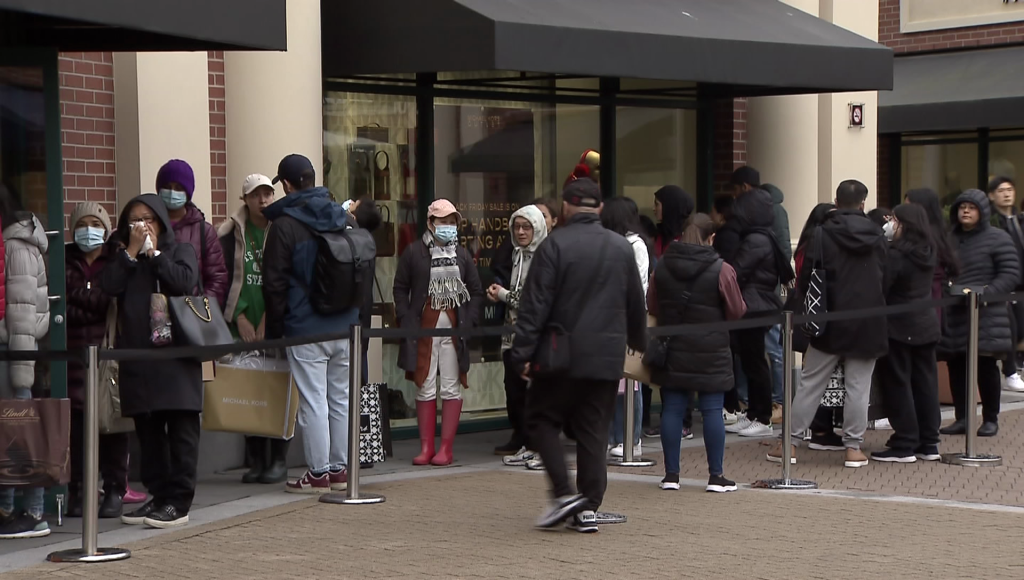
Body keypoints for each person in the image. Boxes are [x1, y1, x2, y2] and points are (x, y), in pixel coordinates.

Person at [508, 179, 647, 533]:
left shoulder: (554, 246)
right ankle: (588, 506)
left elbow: (534, 305)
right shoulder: (621, 248)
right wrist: (639, 343)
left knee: (540, 421)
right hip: (606, 355)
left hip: (559, 354)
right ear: (599, 208)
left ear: (566, 208)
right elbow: (636, 303)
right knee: (593, 431)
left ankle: (563, 493)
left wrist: (521, 352)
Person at [769, 180, 887, 469]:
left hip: (828, 319)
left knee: (811, 384)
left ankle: (790, 444)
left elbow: (807, 276)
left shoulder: (822, 233)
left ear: (836, 201)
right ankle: (853, 448)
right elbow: (888, 273)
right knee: (858, 387)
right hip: (868, 319)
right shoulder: (877, 234)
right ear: (863, 202)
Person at [102, 194, 201, 528]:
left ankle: (179, 502)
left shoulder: (179, 250)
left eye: (148, 219)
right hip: (138, 358)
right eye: (133, 221)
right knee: (148, 432)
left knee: (181, 431)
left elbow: (185, 282)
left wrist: (155, 255)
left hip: (175, 357)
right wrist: (131, 253)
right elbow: (108, 286)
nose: (141, 226)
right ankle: (157, 496)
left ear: (161, 221)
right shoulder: (122, 258)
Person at [262, 154, 359, 493]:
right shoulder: (343, 216)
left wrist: (274, 331)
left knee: (313, 401)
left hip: (305, 326)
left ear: (286, 185)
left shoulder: (285, 225)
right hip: (345, 324)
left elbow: (273, 284)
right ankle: (341, 470)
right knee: (341, 399)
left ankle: (318, 473)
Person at [648, 214, 746, 493]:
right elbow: (737, 311)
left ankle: (671, 476)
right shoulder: (722, 269)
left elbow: (652, 305)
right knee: (712, 410)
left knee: (673, 409)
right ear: (711, 237)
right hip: (711, 349)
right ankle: (716, 476)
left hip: (672, 346)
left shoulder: (663, 265)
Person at [394, 199, 483, 466]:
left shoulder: (463, 255)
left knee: (451, 388)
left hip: (455, 332)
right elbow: (400, 288)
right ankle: (425, 448)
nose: (448, 227)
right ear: (430, 224)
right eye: (442, 222)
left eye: (452, 222)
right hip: (424, 330)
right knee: (425, 384)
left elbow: (476, 291)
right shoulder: (413, 253)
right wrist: (405, 317)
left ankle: (446, 448)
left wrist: (470, 322)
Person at [217, 174, 291, 484]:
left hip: (275, 326)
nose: (262, 201)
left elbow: (286, 279)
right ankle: (257, 460)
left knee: (275, 391)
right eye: (255, 195)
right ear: (244, 199)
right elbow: (222, 280)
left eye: (267, 195)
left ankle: (278, 460)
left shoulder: (283, 230)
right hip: (241, 327)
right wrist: (240, 317)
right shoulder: (229, 234)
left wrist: (267, 320)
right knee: (248, 391)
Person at [64, 202, 130, 519]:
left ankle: (115, 488)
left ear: (105, 229)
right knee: (76, 427)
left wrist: (86, 298)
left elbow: (112, 297)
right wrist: (95, 299)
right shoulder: (64, 260)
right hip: (73, 355)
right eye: (81, 224)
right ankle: (78, 489)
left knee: (111, 422)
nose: (88, 230)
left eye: (94, 223)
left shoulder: (114, 260)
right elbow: (65, 304)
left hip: (108, 353)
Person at [938, 189, 1020, 437]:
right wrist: (946, 291)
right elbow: (939, 270)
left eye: (971, 207)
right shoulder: (948, 238)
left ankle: (990, 419)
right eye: (962, 206)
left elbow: (1009, 273)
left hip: (987, 313)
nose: (965, 211)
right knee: (957, 365)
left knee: (985, 366)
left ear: (981, 211)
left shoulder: (998, 238)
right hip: (955, 311)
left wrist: (986, 294)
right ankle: (963, 418)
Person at [872, 204, 943, 463]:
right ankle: (928, 441)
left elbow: (882, 287)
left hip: (899, 327)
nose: (891, 224)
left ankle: (904, 441)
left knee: (898, 383)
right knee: (925, 383)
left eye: (894, 220)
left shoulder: (896, 255)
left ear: (905, 225)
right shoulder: (928, 250)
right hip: (925, 324)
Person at [723, 188, 793, 438]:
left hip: (755, 307)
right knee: (752, 361)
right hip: (757, 305)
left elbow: (737, 271)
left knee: (755, 362)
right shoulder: (763, 236)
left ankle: (762, 417)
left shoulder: (756, 240)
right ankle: (754, 412)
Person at [0, 193, 50, 539]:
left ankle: (32, 511)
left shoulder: (16, 245)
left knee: (20, 430)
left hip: (11, 349)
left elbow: (22, 312)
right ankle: (7, 507)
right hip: (9, 347)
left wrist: (20, 365)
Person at [487, 205, 548, 466]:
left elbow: (532, 299)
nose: (521, 232)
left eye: (527, 227)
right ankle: (525, 440)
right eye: (517, 227)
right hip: (513, 333)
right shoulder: (516, 255)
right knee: (514, 390)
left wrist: (501, 294)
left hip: (537, 335)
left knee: (535, 392)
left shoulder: (546, 256)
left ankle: (539, 446)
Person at [792, 203, 845, 450]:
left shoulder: (807, 244)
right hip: (818, 316)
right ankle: (819, 428)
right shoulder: (817, 246)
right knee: (819, 378)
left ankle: (816, 428)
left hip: (812, 315)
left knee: (816, 377)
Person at [601, 197, 650, 458]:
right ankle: (612, 437)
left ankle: (631, 437)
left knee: (630, 381)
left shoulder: (636, 246)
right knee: (611, 382)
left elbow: (637, 286)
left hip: (627, 319)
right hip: (606, 320)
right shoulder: (607, 243)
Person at [648, 185, 696, 437]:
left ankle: (683, 421)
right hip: (661, 311)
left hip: (682, 313)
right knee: (663, 368)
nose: (655, 208)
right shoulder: (658, 236)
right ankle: (669, 418)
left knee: (680, 370)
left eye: (658, 203)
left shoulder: (687, 236)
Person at [155, 159, 229, 307]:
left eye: (178, 188)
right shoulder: (149, 225)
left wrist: (202, 307)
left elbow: (217, 278)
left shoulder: (204, 230)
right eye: (167, 187)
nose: (172, 193)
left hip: (191, 315)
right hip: (153, 314)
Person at [986, 176, 1024, 392]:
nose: (1007, 193)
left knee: (1019, 328)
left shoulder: (1019, 220)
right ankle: (1009, 372)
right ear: (992, 195)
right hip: (1003, 286)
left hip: (1021, 285)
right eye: (1001, 190)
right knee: (1011, 329)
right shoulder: (992, 222)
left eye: (1010, 189)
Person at [763, 183, 791, 425]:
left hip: (768, 292)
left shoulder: (775, 212)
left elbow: (783, 251)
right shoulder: (774, 211)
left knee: (774, 347)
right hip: (766, 290)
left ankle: (779, 402)